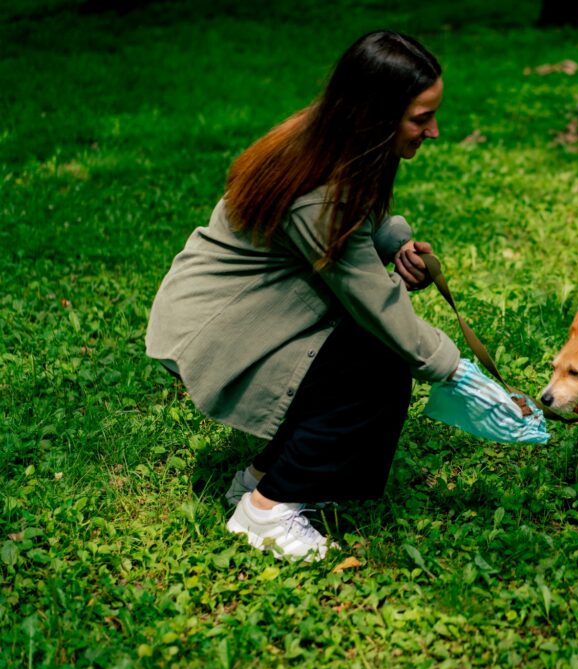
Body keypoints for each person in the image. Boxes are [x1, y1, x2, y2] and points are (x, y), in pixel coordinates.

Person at [146, 31, 464, 562]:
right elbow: (376, 302)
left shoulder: (327, 142)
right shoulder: (318, 191)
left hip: (246, 309)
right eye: (420, 118)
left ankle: (260, 477)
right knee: (378, 365)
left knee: (365, 352)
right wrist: (456, 372)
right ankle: (266, 511)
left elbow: (350, 233)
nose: (434, 131)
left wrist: (391, 242)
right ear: (375, 115)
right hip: (218, 328)